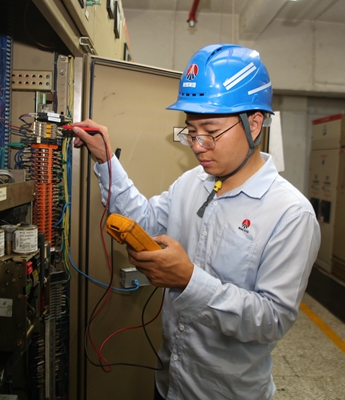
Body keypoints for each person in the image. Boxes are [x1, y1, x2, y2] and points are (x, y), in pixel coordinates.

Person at [72, 44, 320, 400]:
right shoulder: (192, 183)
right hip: (169, 382)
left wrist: (189, 281)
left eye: (210, 131)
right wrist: (105, 160)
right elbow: (143, 221)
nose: (198, 145)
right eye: (191, 131)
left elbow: (272, 320)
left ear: (254, 124)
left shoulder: (290, 213)